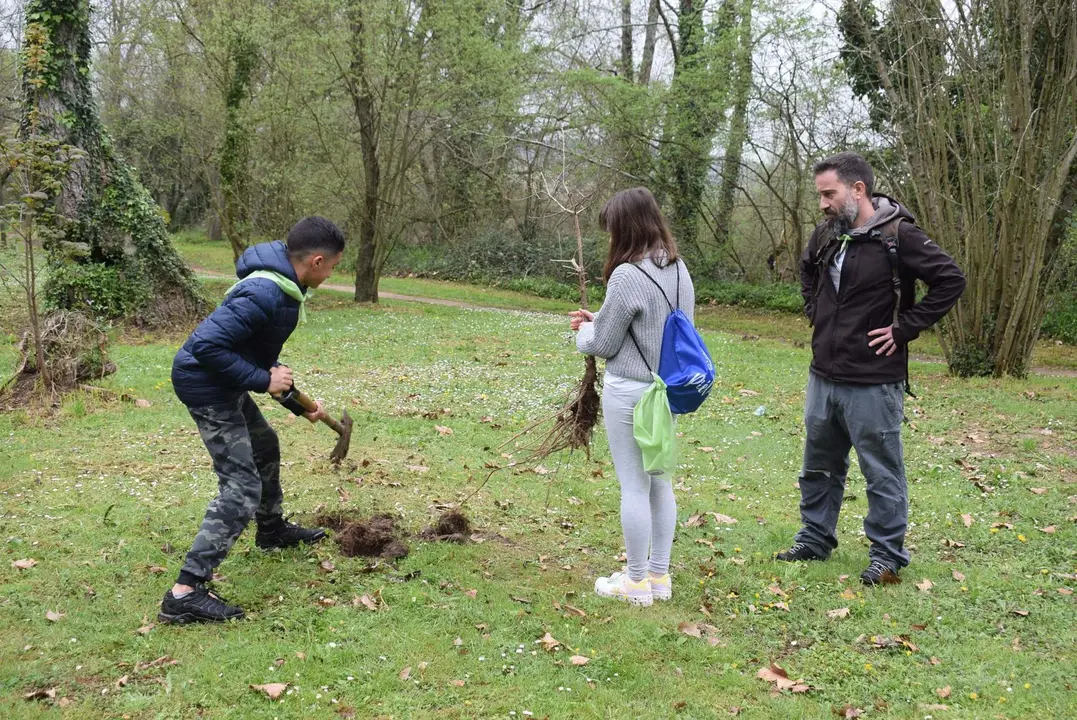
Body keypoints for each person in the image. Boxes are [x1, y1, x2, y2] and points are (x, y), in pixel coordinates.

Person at [777, 151, 965, 585]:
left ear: (857, 189)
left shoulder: (900, 236)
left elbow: (951, 279)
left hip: (873, 380)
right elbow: (807, 272)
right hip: (823, 374)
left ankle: (887, 554)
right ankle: (815, 537)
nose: (822, 203)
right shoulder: (827, 233)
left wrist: (904, 329)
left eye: (829, 194)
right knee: (818, 465)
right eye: (820, 194)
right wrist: (817, 313)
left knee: (881, 471)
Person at [159, 216, 345, 623]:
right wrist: (262, 379)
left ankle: (272, 529)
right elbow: (207, 346)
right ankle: (184, 592)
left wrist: (299, 404)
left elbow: (255, 353)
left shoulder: (281, 288)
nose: (332, 274)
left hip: (224, 380)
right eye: (333, 266)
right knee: (241, 487)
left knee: (265, 446)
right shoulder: (264, 292)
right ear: (316, 261)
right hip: (206, 387)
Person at [570, 187, 695, 607]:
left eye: (612, 230)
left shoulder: (626, 274)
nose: (609, 239)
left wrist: (585, 332)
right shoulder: (679, 269)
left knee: (633, 487)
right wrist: (602, 317)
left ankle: (635, 583)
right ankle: (659, 576)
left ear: (625, 228)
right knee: (660, 482)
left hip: (629, 391)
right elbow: (663, 330)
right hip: (664, 391)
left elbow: (603, 344)